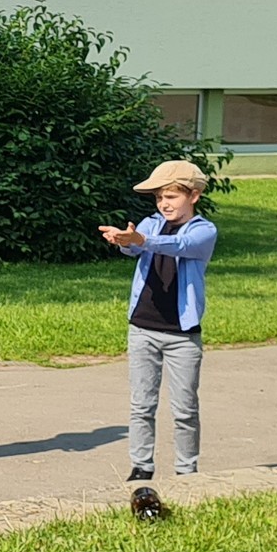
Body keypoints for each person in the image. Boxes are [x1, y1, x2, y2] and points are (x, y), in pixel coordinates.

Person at [102, 158, 218, 483]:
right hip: (142, 328)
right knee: (141, 405)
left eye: (171, 196)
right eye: (159, 198)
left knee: (184, 410)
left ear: (193, 196)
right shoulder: (150, 224)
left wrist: (140, 240)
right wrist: (124, 241)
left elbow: (179, 246)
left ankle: (186, 472)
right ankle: (141, 467)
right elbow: (137, 248)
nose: (163, 203)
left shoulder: (203, 231)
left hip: (182, 335)